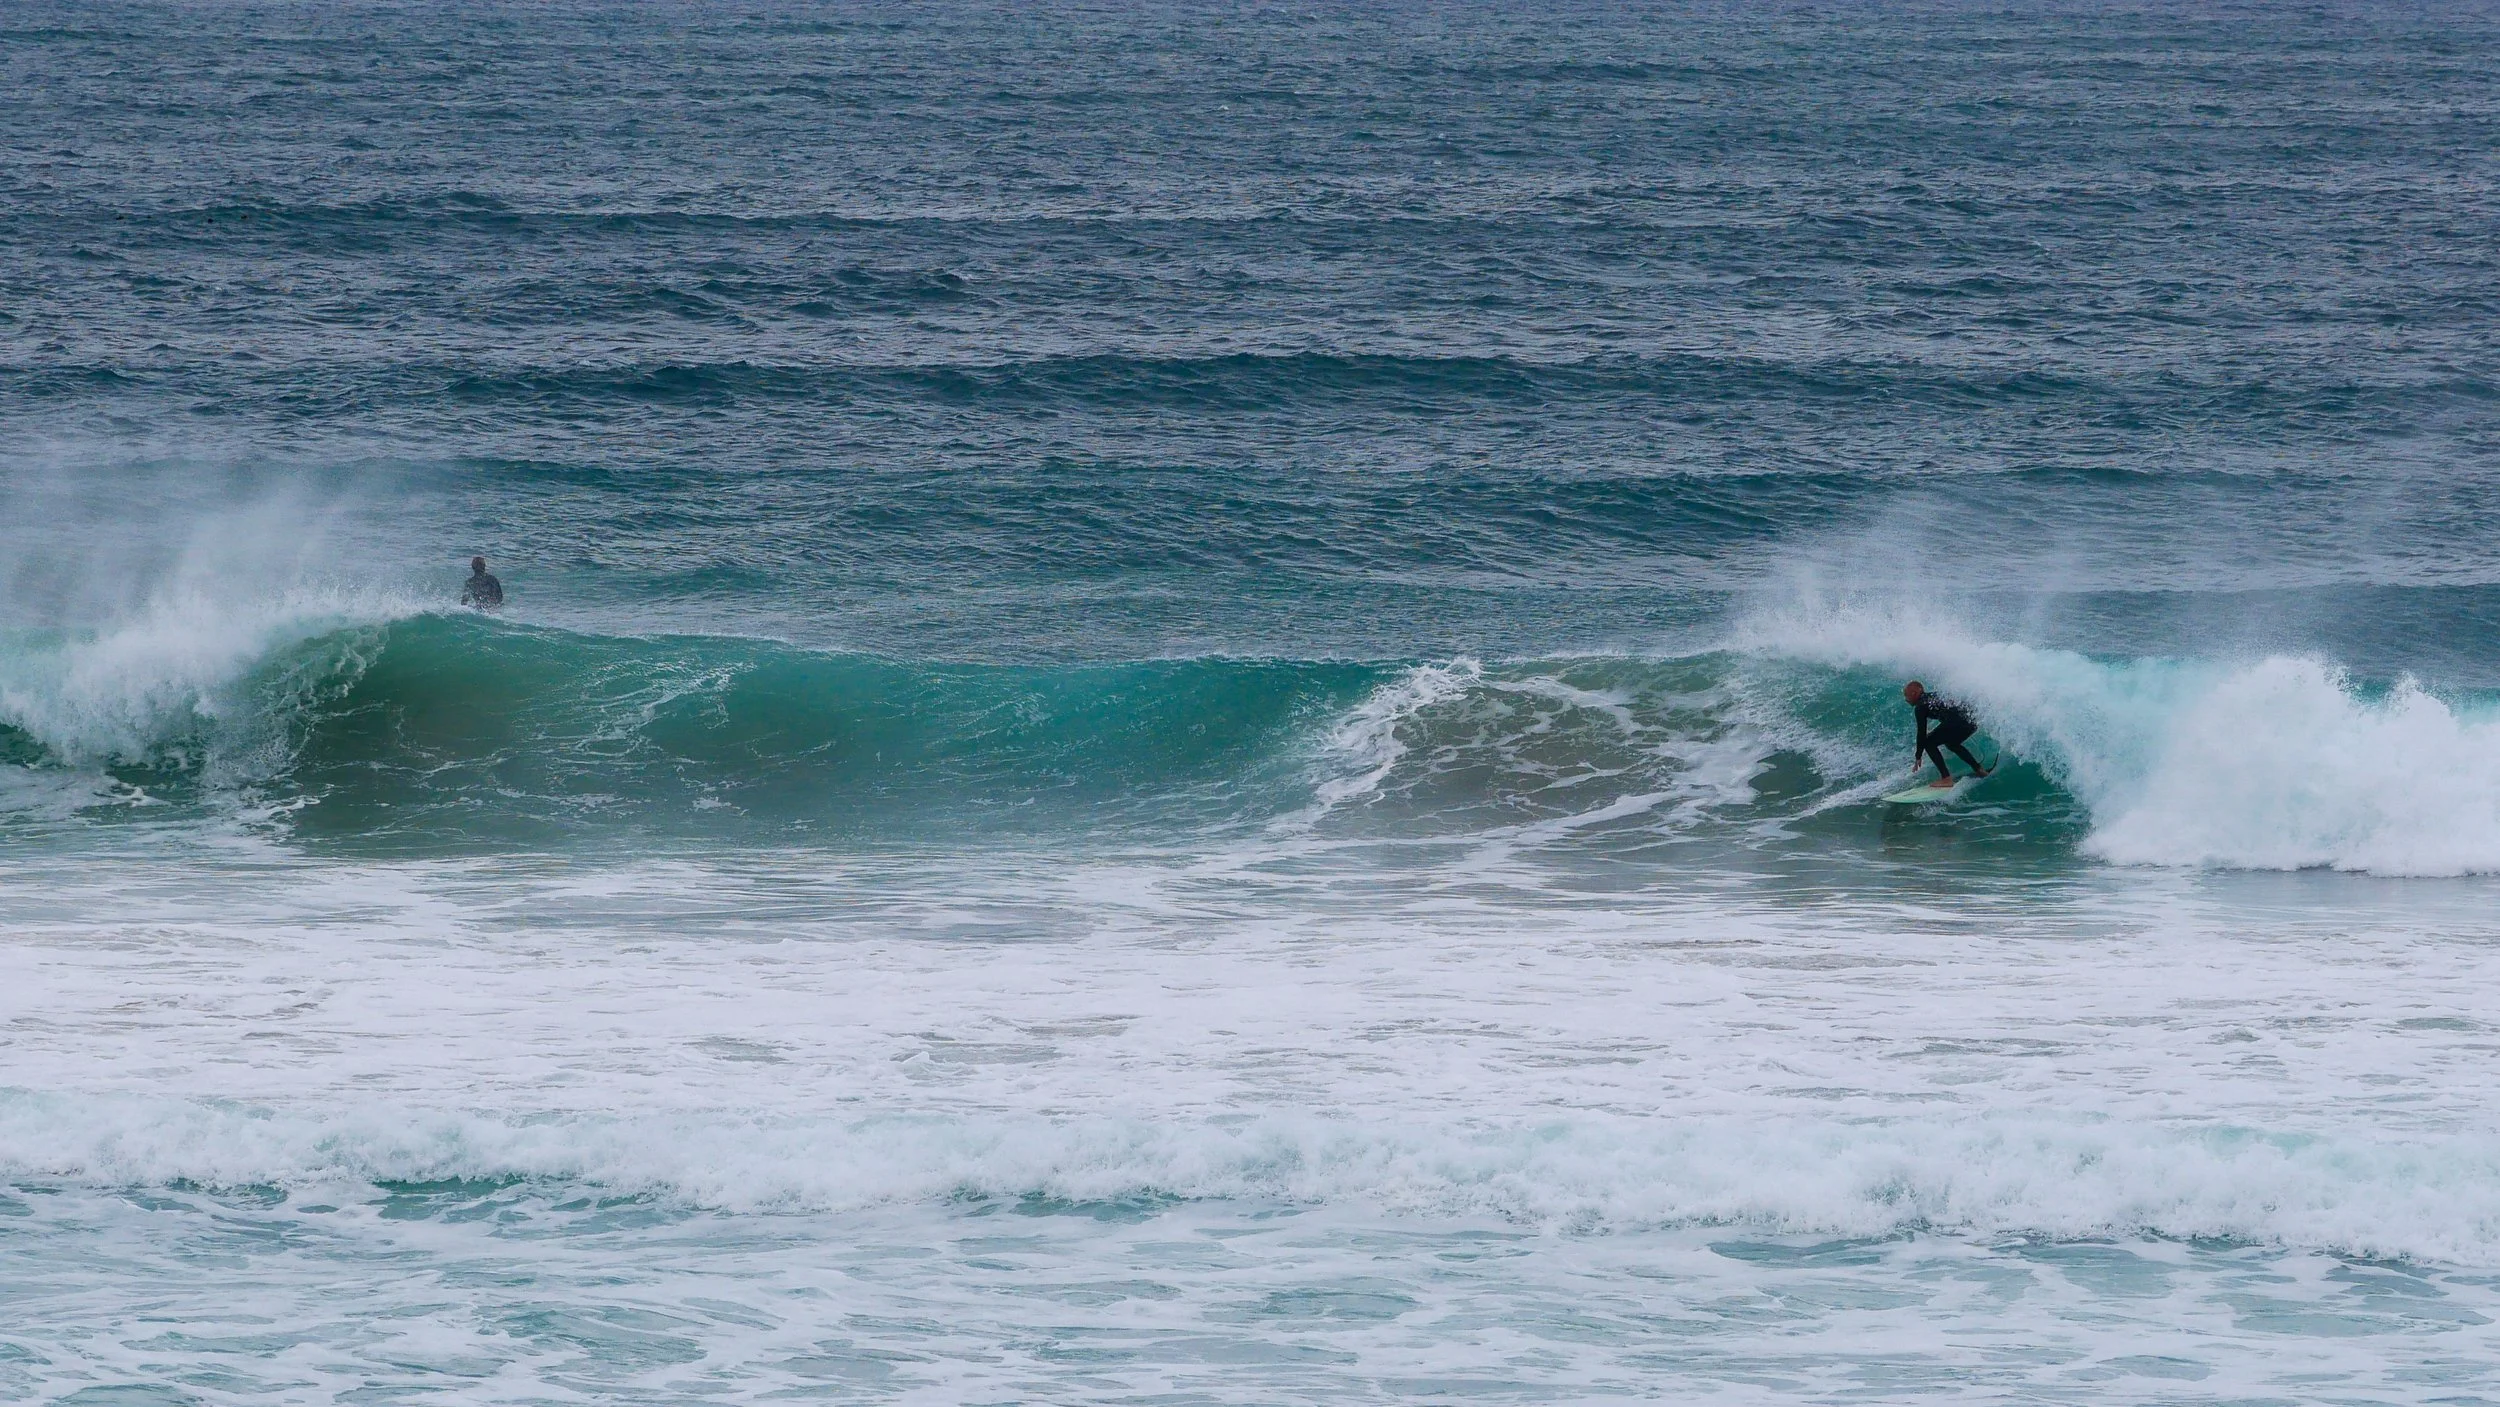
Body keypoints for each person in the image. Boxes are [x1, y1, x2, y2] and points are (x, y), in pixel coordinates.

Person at [1905, 680, 1988, 788]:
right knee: (1952, 743)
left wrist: (1918, 756)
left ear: (1914, 693)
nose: (1906, 699)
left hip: (1959, 721)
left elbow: (1921, 733)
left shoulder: (1920, 706)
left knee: (1929, 742)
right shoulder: (1933, 696)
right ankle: (1979, 769)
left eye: (1906, 695)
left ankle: (1946, 778)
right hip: (1971, 720)